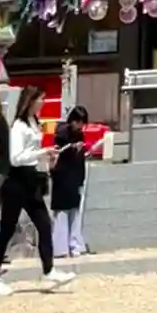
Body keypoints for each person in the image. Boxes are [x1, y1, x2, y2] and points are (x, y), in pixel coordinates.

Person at [0, 85, 71, 290]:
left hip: (31, 180)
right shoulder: (19, 126)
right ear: (31, 100)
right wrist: (41, 153)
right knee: (7, 229)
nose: (43, 102)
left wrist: (46, 158)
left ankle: (49, 270)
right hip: (17, 182)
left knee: (44, 225)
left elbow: (32, 153)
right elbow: (16, 158)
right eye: (40, 99)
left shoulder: (34, 122)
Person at [50, 105, 89, 262]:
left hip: (75, 175)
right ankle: (60, 248)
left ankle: (75, 245)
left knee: (74, 211)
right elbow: (60, 152)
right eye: (78, 122)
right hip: (62, 176)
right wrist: (73, 148)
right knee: (62, 212)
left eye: (82, 122)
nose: (80, 126)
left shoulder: (80, 135)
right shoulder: (62, 133)